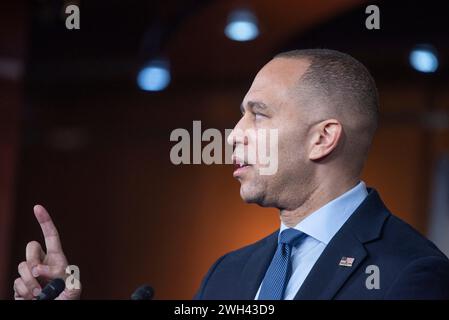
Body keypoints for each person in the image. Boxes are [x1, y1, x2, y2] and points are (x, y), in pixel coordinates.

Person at [13, 49, 449, 300]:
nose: (234, 136)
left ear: (323, 139)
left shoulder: (411, 274)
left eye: (258, 116)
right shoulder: (229, 272)